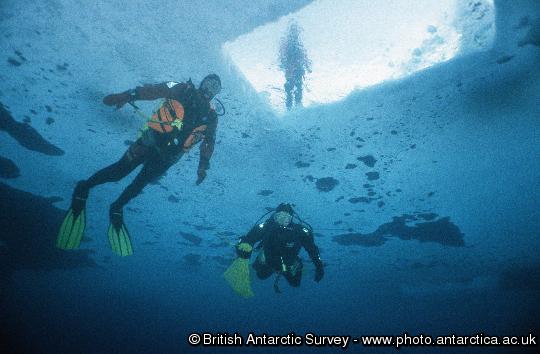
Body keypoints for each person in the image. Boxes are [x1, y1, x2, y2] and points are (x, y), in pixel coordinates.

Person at [56, 74, 222, 256]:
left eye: (215, 88)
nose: (209, 90)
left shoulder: (212, 117)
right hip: (149, 143)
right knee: (119, 172)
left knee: (139, 184)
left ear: (217, 93)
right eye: (209, 84)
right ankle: (84, 187)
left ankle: (117, 207)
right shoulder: (182, 89)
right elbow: (155, 90)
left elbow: (208, 142)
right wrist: (127, 95)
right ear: (202, 83)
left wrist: (203, 165)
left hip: (168, 157)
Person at [225, 203, 324, 297]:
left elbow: (312, 250)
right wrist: (243, 249)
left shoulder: (299, 231)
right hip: (268, 260)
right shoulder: (267, 227)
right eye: (279, 216)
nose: (282, 219)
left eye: (286, 216)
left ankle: (297, 263)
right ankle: (261, 257)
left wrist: (319, 266)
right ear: (274, 216)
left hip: (289, 262)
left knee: (295, 283)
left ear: (291, 218)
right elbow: (248, 239)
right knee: (261, 276)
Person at [279, 21, 312, 110]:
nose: (296, 32)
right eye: (294, 30)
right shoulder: (287, 41)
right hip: (291, 68)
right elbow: (283, 54)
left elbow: (303, 55)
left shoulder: (297, 42)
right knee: (291, 89)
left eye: (296, 30)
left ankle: (296, 108)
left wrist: (307, 65)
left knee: (297, 88)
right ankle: (291, 109)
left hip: (297, 69)